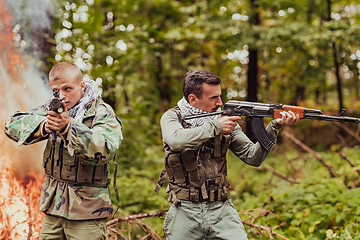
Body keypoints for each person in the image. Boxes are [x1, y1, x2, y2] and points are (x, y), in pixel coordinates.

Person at [155, 69, 299, 240]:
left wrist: (274, 126)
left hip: (221, 209)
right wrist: (216, 127)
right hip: (184, 210)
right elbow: (176, 140)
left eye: (220, 95)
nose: (220, 102)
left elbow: (252, 156)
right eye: (213, 98)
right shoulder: (172, 117)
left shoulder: (226, 121)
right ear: (193, 99)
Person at [4, 62, 123, 240]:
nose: (62, 96)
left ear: (81, 86)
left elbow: (106, 148)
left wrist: (68, 127)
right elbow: (11, 125)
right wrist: (44, 126)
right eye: (56, 91)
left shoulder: (100, 112)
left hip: (87, 212)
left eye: (68, 88)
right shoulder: (52, 109)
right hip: (54, 208)